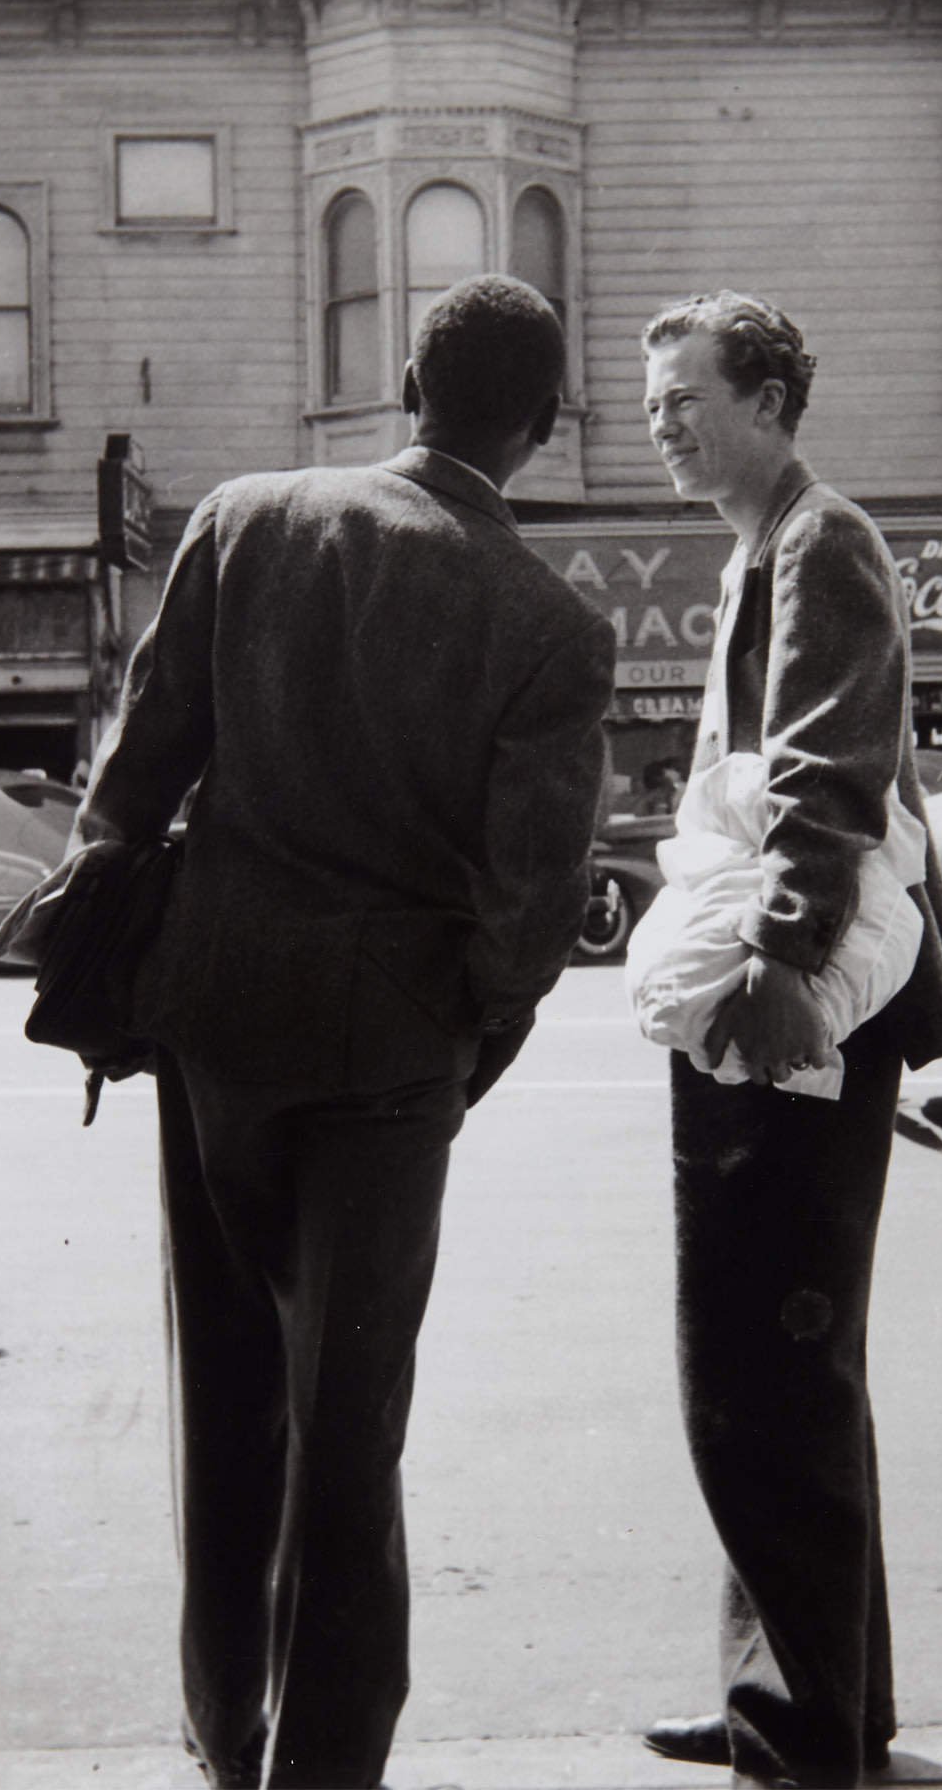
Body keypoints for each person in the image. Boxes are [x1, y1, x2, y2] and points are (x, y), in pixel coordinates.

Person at [71, 275, 616, 1790]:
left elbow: (140, 761)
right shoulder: (551, 627)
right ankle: (324, 1771)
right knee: (350, 1435)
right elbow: (532, 902)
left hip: (215, 1019)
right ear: (542, 425)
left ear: (403, 382)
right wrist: (463, 1053)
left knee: (224, 1398)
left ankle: (219, 1737)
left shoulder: (245, 521)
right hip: (386, 1060)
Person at [634, 291, 942, 1788]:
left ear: (769, 398)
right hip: (803, 1011)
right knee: (795, 1371)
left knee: (752, 1372)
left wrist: (782, 978)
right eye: (652, 405)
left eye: (685, 399)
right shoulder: (764, 544)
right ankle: (809, 1699)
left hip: (779, 1005)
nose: (663, 425)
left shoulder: (818, 540)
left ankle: (798, 1733)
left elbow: (827, 778)